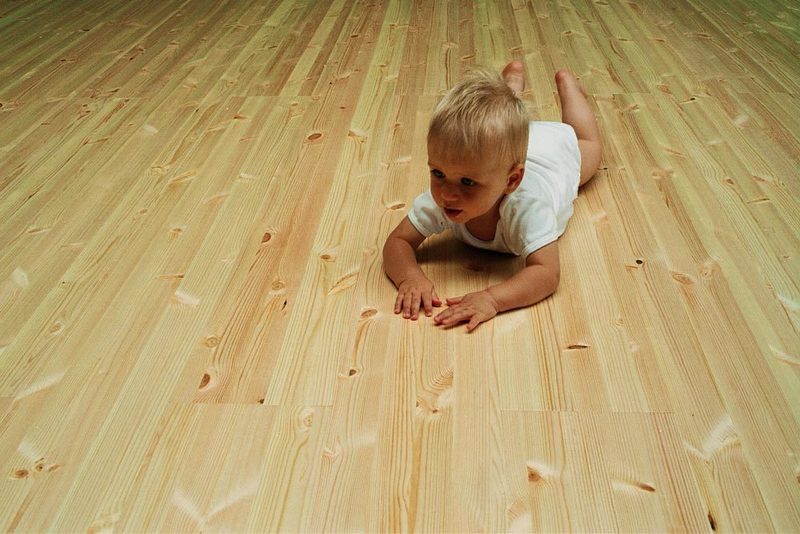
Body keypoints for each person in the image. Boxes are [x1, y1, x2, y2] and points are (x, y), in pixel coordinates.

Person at [382, 60, 602, 332]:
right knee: (502, 125)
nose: (447, 193)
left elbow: (546, 273)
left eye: (467, 182)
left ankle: (569, 88)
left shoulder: (529, 206)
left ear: (511, 181)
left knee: (588, 145)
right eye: (438, 173)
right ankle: (509, 90)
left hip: (553, 157)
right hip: (501, 149)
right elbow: (398, 241)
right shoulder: (445, 195)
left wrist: (493, 299)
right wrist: (409, 278)